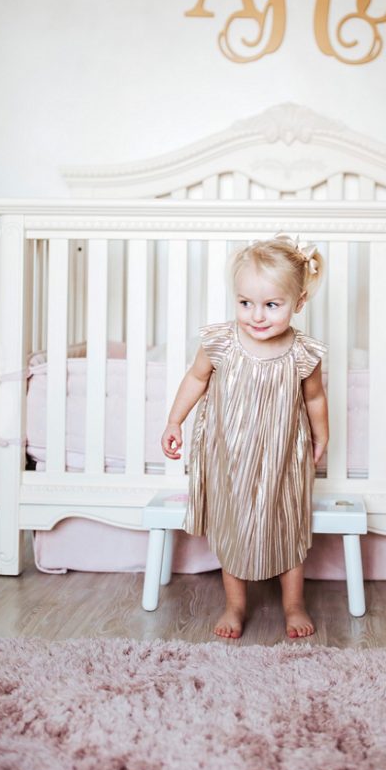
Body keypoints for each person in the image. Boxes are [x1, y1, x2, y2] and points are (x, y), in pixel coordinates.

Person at [160, 232, 329, 640]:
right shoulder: (220, 342)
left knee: (288, 527)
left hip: (283, 459)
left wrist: (321, 436)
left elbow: (316, 399)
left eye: (272, 305)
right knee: (233, 529)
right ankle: (235, 604)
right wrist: (174, 421)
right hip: (230, 458)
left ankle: (293, 604)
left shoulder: (303, 352)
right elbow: (196, 379)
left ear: (299, 303)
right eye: (245, 303)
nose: (256, 316)